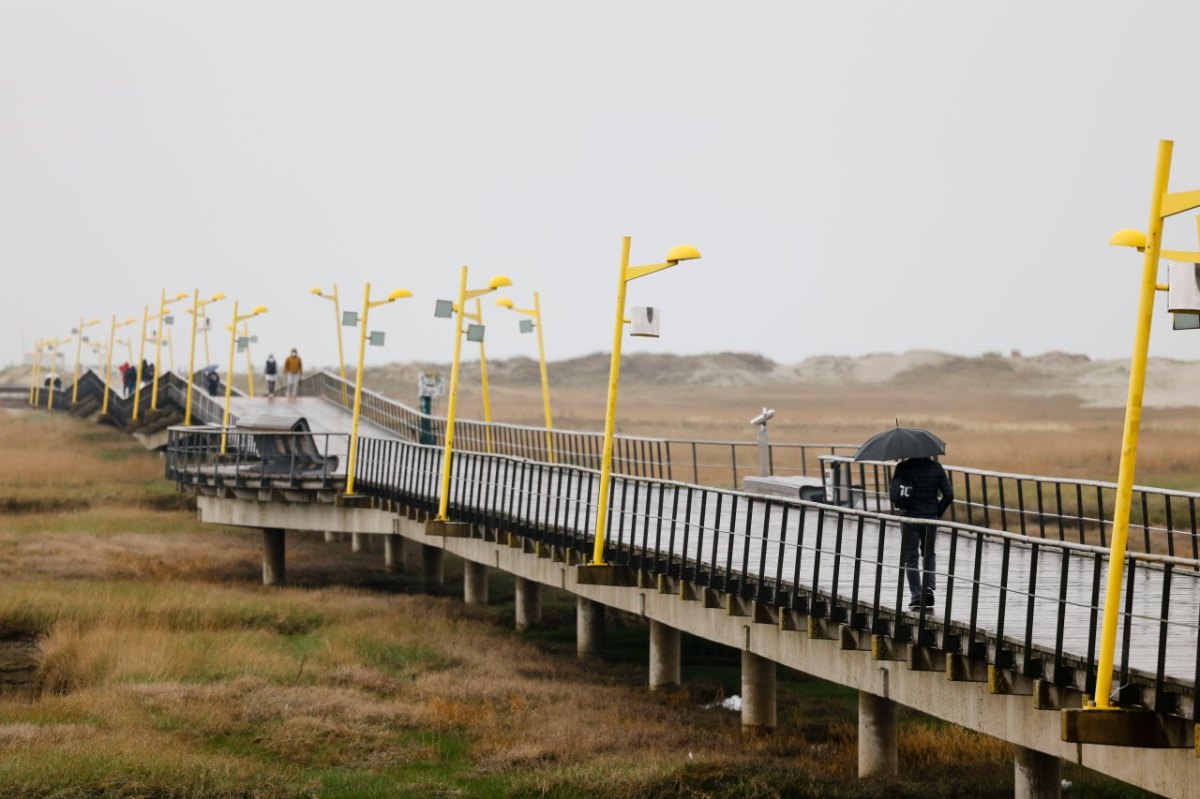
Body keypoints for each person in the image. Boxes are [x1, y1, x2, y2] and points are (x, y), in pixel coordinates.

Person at [888, 456, 953, 610]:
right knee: (929, 553)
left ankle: (917, 595)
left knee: (910, 557)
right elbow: (949, 494)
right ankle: (929, 589)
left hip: (909, 518)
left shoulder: (903, 467)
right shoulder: (937, 468)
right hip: (930, 518)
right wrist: (937, 512)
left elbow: (895, 493)